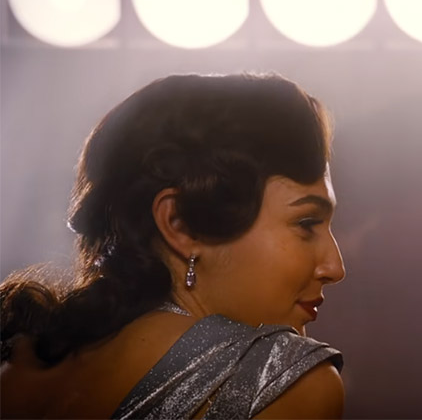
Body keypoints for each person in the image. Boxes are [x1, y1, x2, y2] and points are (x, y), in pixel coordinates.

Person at [0, 73, 346, 418]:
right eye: (306, 224)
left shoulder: (16, 362)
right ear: (181, 224)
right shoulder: (284, 388)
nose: (335, 267)